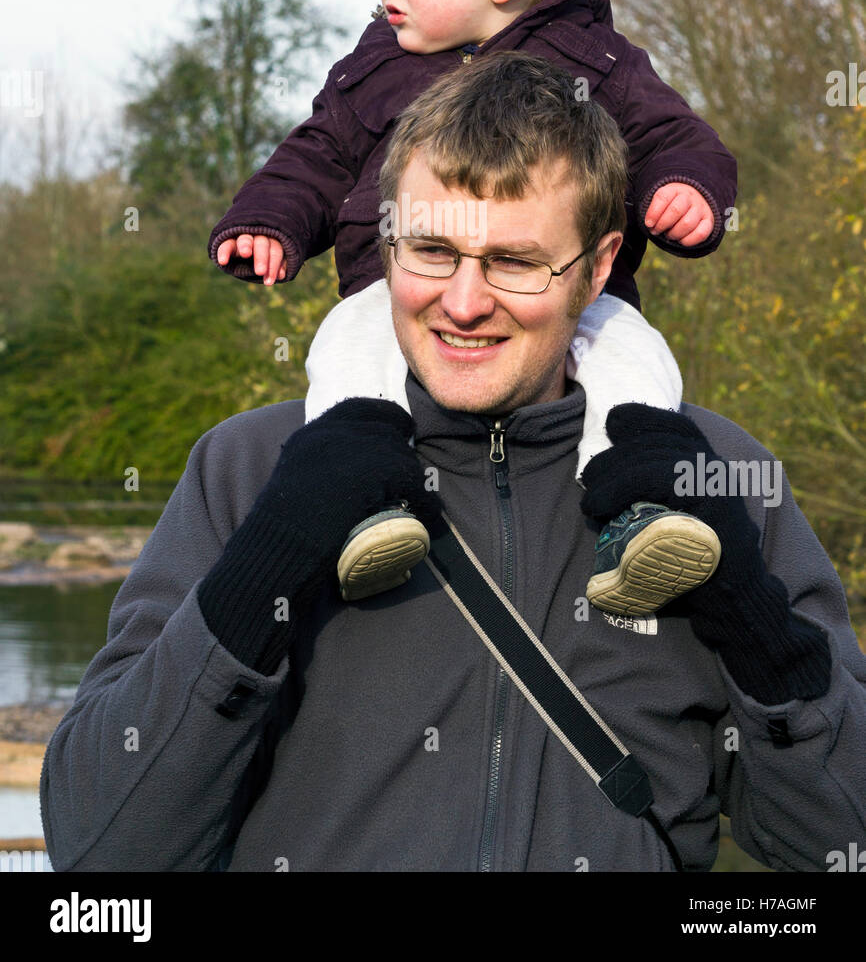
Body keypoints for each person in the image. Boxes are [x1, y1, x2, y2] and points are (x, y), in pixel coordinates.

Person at [41, 55, 866, 873]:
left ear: (601, 265)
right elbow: (102, 848)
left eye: (514, 262)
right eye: (430, 251)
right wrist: (267, 565)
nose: (464, 303)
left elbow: (843, 842)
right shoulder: (246, 469)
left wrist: (753, 620)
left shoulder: (716, 478)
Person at [207, 0, 737, 611]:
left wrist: (687, 189)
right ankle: (363, 506)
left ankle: (640, 510)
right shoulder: (375, 68)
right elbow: (315, 153)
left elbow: (672, 135)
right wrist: (268, 221)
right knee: (347, 351)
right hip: (394, 296)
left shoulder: (598, 61)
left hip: (568, 304)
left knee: (634, 356)